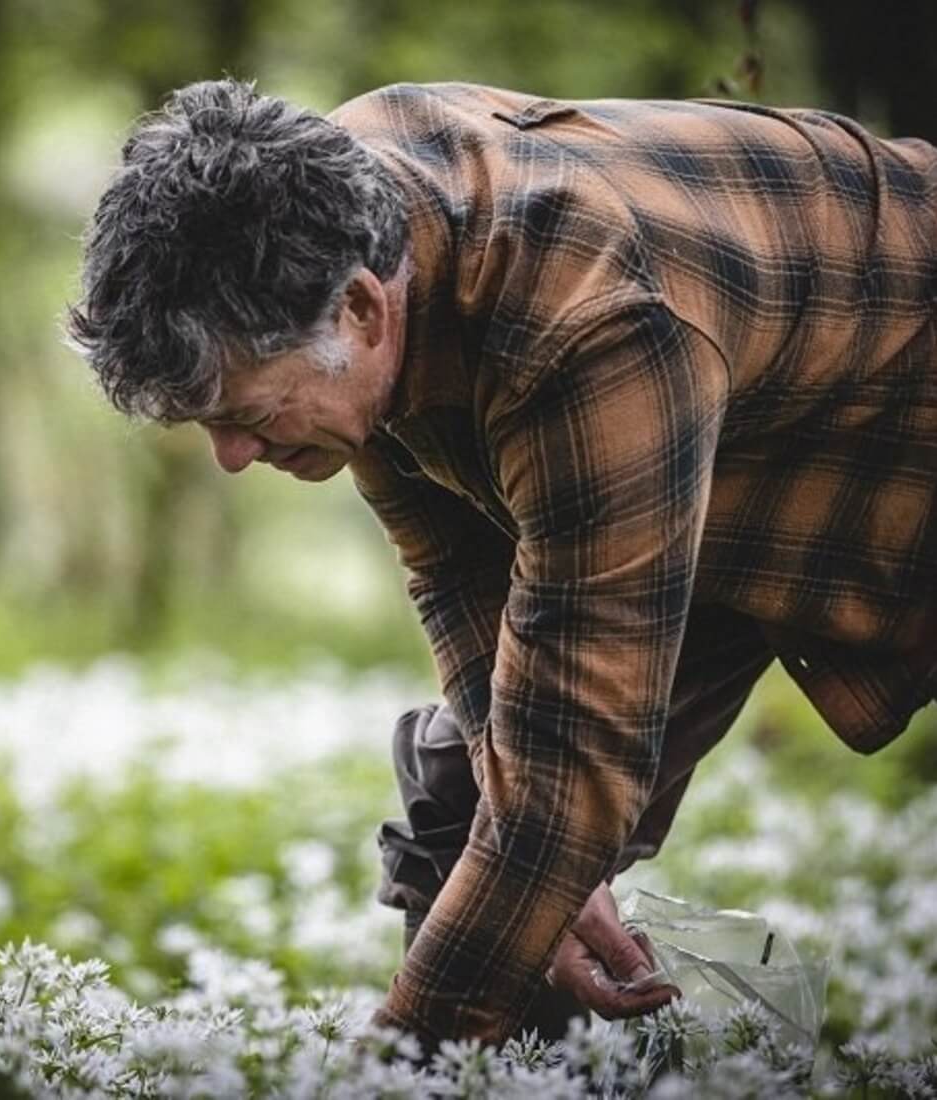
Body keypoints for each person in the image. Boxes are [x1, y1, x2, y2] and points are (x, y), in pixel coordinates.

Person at [67, 78, 937, 1050]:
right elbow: (453, 571)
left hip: (889, 420)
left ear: (360, 309)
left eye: (246, 413)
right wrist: (547, 883)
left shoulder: (583, 320)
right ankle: (538, 1068)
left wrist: (394, 1057)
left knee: (534, 831)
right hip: (730, 429)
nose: (231, 456)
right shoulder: (327, 224)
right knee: (471, 803)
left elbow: (570, 761)